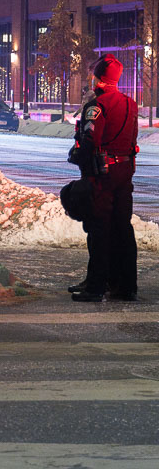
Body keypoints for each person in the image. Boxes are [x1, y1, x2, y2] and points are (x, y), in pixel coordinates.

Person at [68, 55, 139, 302]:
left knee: (98, 228)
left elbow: (89, 141)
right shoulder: (131, 104)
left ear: (97, 77)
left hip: (102, 176)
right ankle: (125, 285)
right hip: (124, 173)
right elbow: (132, 141)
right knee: (123, 228)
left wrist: (75, 155)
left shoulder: (96, 106)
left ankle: (96, 285)